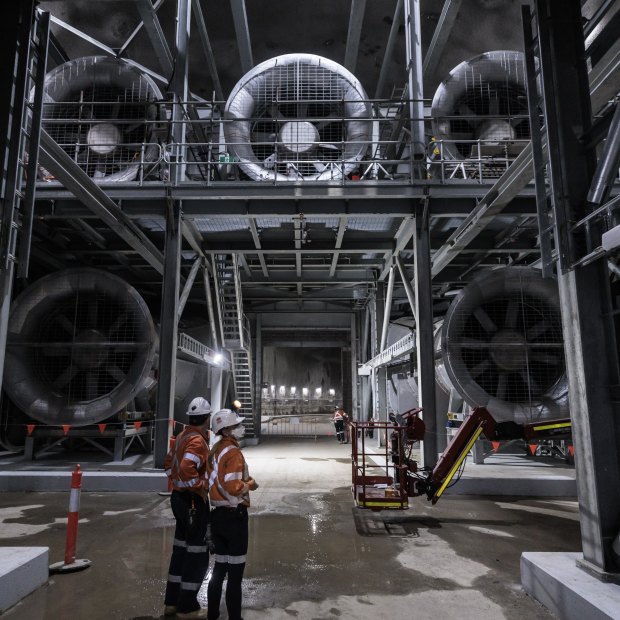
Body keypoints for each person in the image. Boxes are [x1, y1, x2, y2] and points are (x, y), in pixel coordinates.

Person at [206, 409, 259, 620]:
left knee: (219, 570)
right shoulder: (233, 452)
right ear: (227, 430)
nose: (240, 427)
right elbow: (233, 486)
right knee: (235, 575)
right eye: (236, 425)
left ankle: (212, 615)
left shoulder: (216, 450)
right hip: (234, 517)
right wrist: (250, 484)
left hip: (218, 515)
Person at [163, 396, 212, 619]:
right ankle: (187, 607)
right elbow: (186, 467)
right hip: (192, 503)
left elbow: (168, 464)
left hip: (178, 500)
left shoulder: (182, 435)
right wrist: (199, 487)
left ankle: (172, 603)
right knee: (197, 554)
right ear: (207, 418)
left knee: (180, 551)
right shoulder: (198, 441)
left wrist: (178, 484)